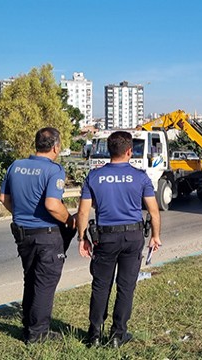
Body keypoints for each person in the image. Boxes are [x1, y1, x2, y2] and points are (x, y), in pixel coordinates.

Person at [77, 131, 162, 348]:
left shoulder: (94, 177)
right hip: (132, 236)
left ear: (109, 150)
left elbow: (83, 213)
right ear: (129, 151)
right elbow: (154, 211)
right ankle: (117, 335)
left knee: (100, 286)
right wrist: (156, 236)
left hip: (105, 237)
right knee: (126, 286)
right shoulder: (140, 176)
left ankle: (94, 335)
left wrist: (82, 238)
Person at [0, 127, 77, 344]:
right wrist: (70, 221)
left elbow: (3, 197)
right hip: (46, 235)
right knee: (44, 284)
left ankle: (29, 325)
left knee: (31, 279)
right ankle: (38, 334)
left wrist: (21, 214)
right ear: (55, 147)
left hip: (22, 233)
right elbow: (52, 205)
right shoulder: (54, 170)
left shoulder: (16, 165)